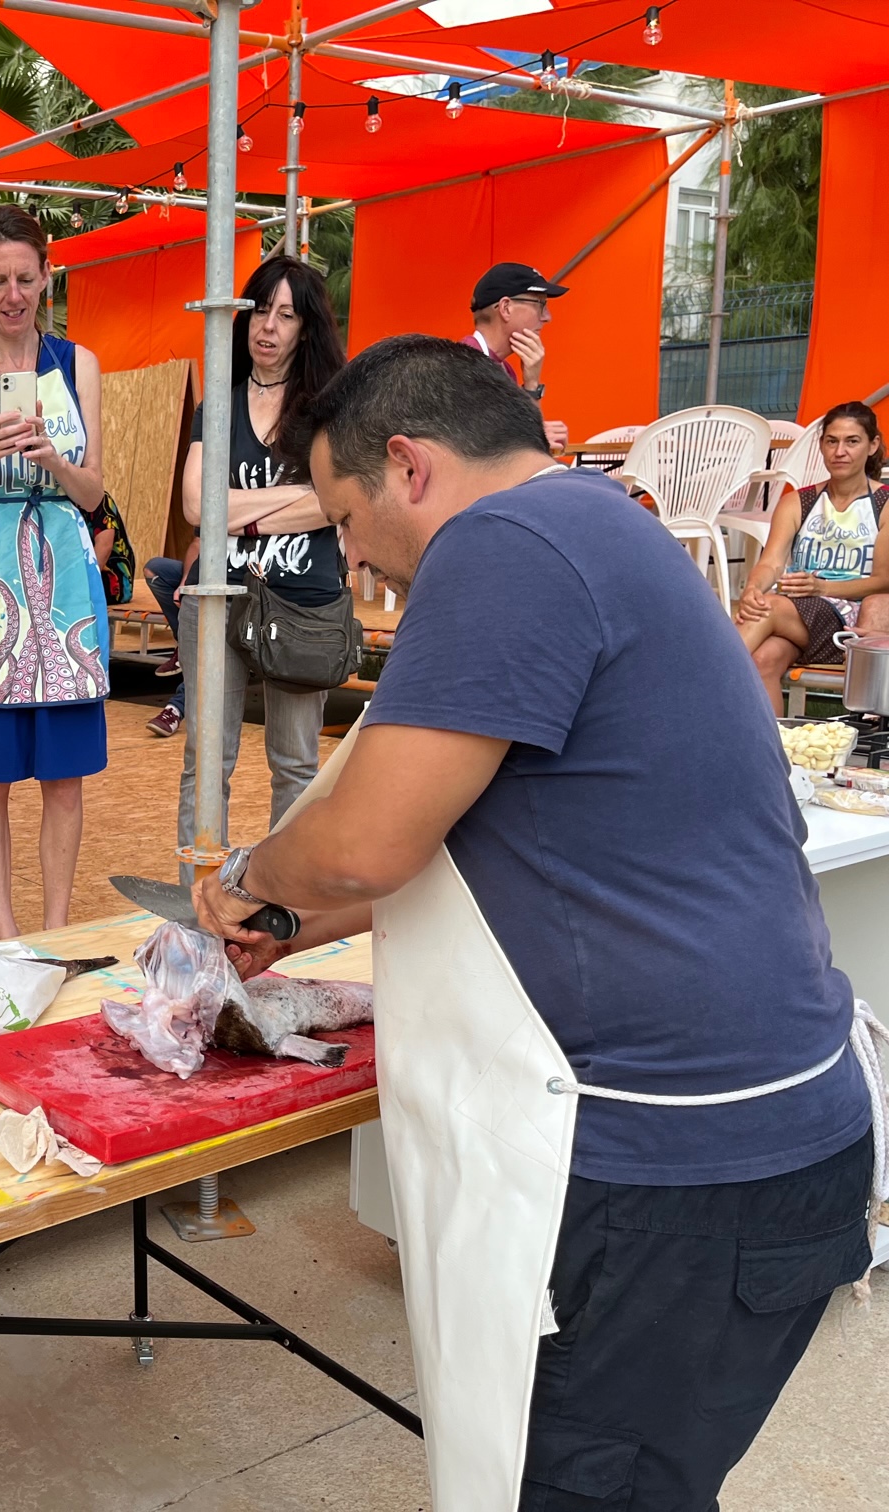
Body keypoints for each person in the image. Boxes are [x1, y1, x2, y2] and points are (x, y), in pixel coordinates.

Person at [197, 334, 874, 1511]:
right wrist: (298, 924)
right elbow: (517, 827)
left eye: (349, 519)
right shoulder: (601, 527)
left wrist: (252, 874)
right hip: (770, 1150)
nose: (354, 557)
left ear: (410, 466)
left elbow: (368, 837)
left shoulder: (503, 544)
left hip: (668, 1177)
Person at [0, 204, 108, 940]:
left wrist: (54, 460)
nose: (13, 295)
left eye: (26, 279)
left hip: (65, 587)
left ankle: (56, 930)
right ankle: (6, 935)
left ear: (46, 278)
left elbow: (94, 494)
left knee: (64, 777)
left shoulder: (78, 363)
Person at [176, 255, 346, 864]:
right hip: (218, 596)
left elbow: (334, 501)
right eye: (260, 311)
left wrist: (236, 513)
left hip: (303, 605)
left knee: (296, 765)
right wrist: (293, 498)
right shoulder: (217, 405)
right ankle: (200, 899)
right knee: (206, 759)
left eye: (286, 315)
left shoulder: (330, 409)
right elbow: (195, 505)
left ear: (306, 328)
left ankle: (282, 903)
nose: (268, 327)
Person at [736, 401, 889, 709]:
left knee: (769, 607)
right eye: (831, 441)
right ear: (821, 445)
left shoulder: (883, 503)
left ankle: (698, 680)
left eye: (852, 441)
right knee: (763, 659)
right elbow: (771, 562)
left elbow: (883, 581)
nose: (839, 451)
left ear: (872, 446)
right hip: (801, 617)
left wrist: (822, 588)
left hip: (853, 623)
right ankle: (774, 740)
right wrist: (753, 589)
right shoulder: (798, 501)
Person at [463, 261, 568, 452]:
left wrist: (531, 382)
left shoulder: (504, 369)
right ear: (506, 308)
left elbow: (522, 444)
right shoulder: (465, 365)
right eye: (541, 304)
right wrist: (532, 437)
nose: (547, 317)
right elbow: (479, 450)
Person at [142, 556, 187, 736]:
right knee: (155, 568)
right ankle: (184, 642)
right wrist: (184, 583)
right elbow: (197, 544)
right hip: (216, 575)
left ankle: (176, 708)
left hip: (253, 583)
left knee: (215, 644)